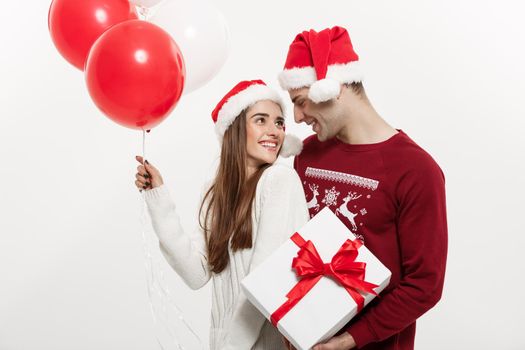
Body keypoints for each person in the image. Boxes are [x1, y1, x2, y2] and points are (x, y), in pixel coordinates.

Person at [278, 26, 448, 350]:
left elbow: (425, 285)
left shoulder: (416, 170)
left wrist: (351, 339)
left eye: (301, 102)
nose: (297, 117)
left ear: (333, 87)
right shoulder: (307, 155)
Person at [134, 79, 309, 350]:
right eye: (261, 120)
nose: (274, 131)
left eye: (279, 123)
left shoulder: (279, 181)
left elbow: (267, 281)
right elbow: (196, 273)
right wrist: (158, 198)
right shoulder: (218, 194)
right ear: (236, 129)